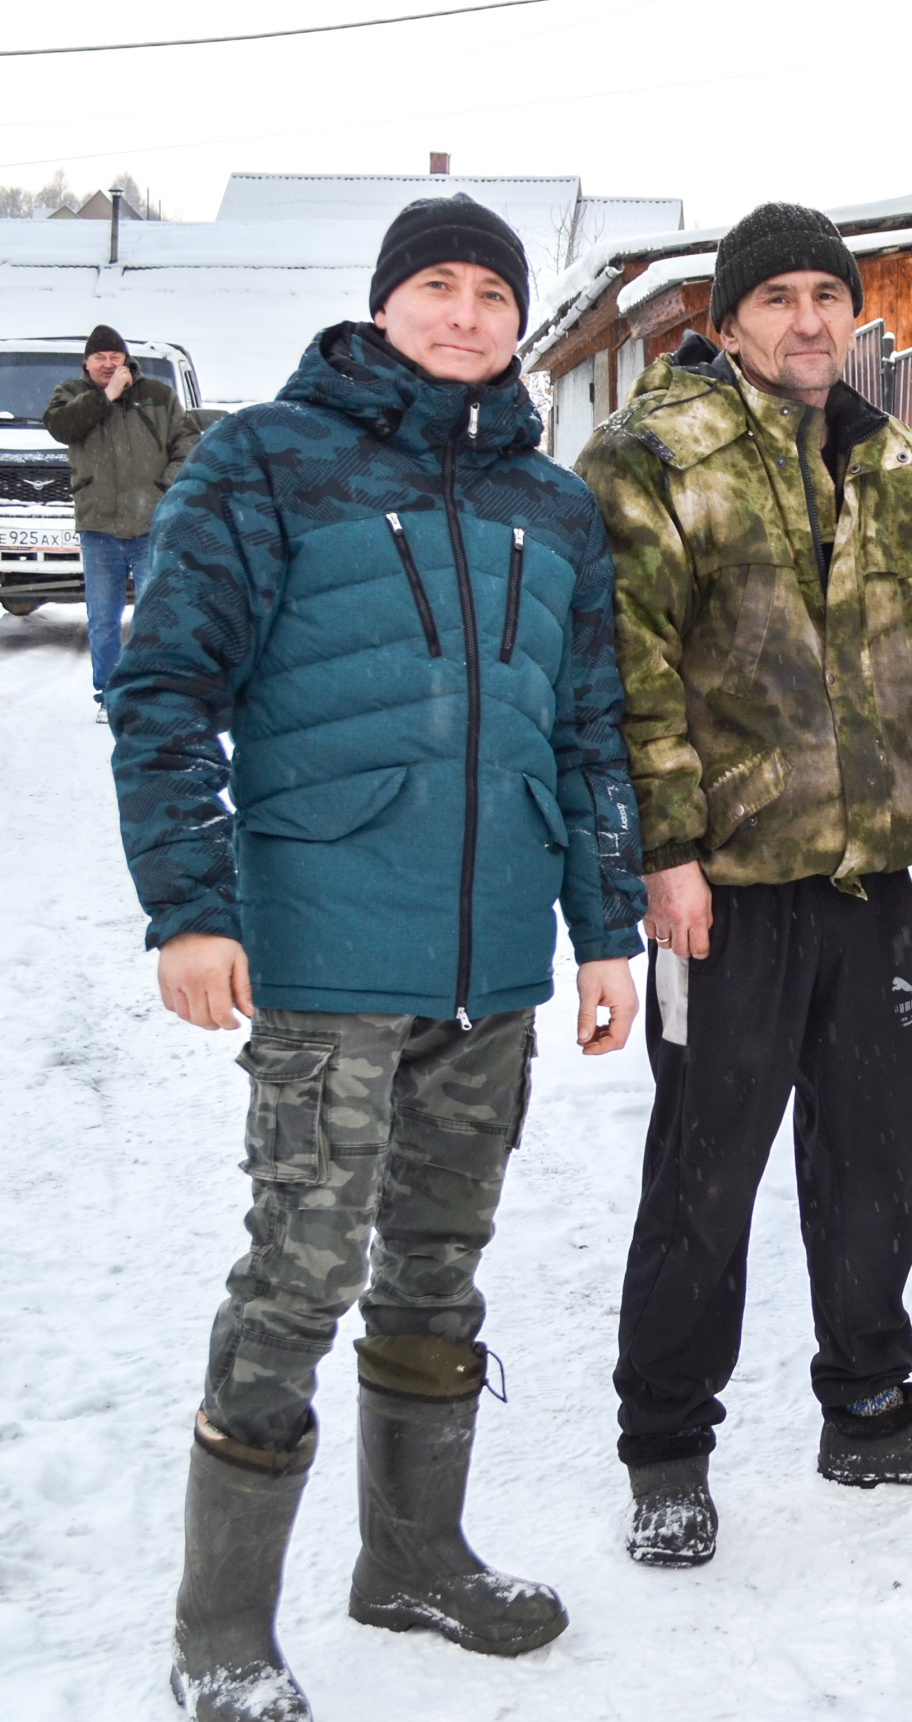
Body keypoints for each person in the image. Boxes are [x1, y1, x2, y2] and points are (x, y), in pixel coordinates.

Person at [107, 194, 647, 1720]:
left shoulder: (553, 505)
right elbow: (164, 687)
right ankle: (222, 1628)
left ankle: (411, 1558)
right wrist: (192, 906)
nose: (465, 313)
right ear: (384, 301)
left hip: (490, 960)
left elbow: (589, 727)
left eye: (491, 290)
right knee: (299, 1271)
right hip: (329, 944)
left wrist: (603, 932)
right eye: (437, 286)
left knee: (438, 1269)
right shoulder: (269, 459)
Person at [575, 201, 912, 1570]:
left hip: (866, 880)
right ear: (728, 319)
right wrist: (664, 853)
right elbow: (626, 668)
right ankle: (667, 1449)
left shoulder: (891, 460)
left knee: (880, 1160)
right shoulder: (652, 457)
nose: (811, 320)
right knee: (706, 1173)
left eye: (829, 294)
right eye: (779, 299)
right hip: (726, 891)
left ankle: (873, 1408)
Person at [44, 324, 200, 719]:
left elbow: (188, 443)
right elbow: (60, 427)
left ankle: (150, 691)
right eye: (100, 358)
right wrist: (105, 398)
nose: (109, 364)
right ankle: (109, 695)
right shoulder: (70, 395)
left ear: (126, 359)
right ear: (86, 362)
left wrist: (164, 489)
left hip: (151, 525)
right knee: (103, 618)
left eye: (115, 357)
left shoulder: (158, 396)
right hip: (99, 528)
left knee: (155, 613)